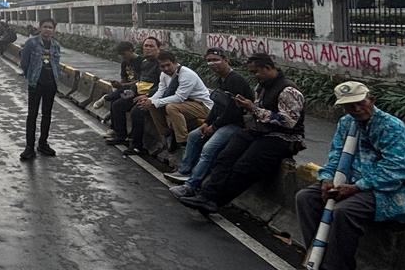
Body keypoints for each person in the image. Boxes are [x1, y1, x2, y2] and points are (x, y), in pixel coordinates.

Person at [295, 82, 405, 270]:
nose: (356, 109)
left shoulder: (391, 127)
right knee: (305, 198)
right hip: (350, 182)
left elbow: (399, 169)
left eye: (360, 103)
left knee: (343, 211)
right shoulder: (346, 123)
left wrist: (357, 187)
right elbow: (336, 154)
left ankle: (336, 266)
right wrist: (327, 178)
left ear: (372, 100)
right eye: (349, 106)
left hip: (389, 189)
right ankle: (317, 257)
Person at [179, 53, 305, 215]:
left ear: (267, 68)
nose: (255, 76)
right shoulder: (262, 86)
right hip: (259, 131)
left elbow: (288, 121)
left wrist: (253, 109)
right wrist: (247, 109)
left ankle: (216, 201)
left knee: (245, 166)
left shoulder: (288, 90)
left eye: (256, 72)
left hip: (282, 137)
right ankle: (206, 195)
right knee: (225, 157)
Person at [167, 48, 254, 193]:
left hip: (237, 124)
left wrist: (214, 127)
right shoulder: (221, 79)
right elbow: (217, 106)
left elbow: (233, 111)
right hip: (222, 121)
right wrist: (207, 122)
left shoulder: (235, 80)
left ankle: (191, 186)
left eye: (215, 60)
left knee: (209, 148)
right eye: (209, 61)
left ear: (226, 60)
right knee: (193, 136)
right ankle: (184, 171)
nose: (212, 64)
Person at [127, 50, 213, 158]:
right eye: (162, 66)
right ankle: (167, 134)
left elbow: (179, 97)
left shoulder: (186, 74)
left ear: (175, 63)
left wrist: (155, 101)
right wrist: (150, 100)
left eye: (168, 65)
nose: (166, 69)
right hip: (186, 104)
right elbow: (161, 91)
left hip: (203, 106)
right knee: (152, 106)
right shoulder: (164, 75)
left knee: (171, 107)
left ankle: (183, 141)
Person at [105, 37, 163, 147]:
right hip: (136, 92)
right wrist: (131, 92)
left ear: (158, 48)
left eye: (151, 46)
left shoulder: (161, 64)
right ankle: (121, 136)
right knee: (117, 104)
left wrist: (146, 96)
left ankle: (137, 146)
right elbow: (139, 81)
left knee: (136, 112)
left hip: (151, 96)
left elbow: (163, 86)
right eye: (146, 46)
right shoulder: (145, 63)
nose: (148, 48)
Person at [19, 17, 63, 161]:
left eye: (50, 27)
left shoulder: (56, 45)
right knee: (32, 115)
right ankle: (29, 147)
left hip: (51, 84)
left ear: (54, 30)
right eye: (45, 26)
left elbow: (56, 64)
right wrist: (30, 76)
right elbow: (24, 62)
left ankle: (43, 143)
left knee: (47, 114)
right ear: (40, 28)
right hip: (35, 84)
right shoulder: (31, 43)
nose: (47, 30)